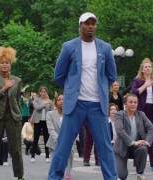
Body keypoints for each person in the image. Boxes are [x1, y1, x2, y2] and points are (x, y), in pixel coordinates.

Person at [48, 12, 117, 180]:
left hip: (97, 105)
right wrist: (71, 88)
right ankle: (54, 177)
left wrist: (101, 88)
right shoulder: (69, 47)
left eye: (93, 23)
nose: (90, 26)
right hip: (75, 104)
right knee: (63, 146)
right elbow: (58, 75)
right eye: (87, 23)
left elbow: (111, 75)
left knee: (105, 147)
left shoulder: (105, 48)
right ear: (80, 26)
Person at [0, 46, 24, 180]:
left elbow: (17, 98)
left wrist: (18, 114)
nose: (5, 65)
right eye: (2, 62)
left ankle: (20, 176)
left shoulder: (17, 80)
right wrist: (5, 87)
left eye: (7, 62)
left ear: (10, 64)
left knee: (16, 149)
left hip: (13, 117)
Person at [130, 58, 153, 175]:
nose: (148, 68)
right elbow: (133, 93)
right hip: (142, 110)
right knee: (140, 137)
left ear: (152, 69)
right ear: (142, 70)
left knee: (152, 138)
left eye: (149, 67)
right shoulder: (138, 81)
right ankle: (139, 165)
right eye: (145, 67)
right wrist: (145, 85)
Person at [114, 94, 153, 180]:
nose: (133, 104)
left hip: (136, 147)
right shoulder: (119, 114)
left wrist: (147, 141)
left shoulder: (141, 114)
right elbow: (120, 130)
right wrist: (133, 142)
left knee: (143, 148)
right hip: (122, 148)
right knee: (122, 175)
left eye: (135, 102)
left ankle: (140, 173)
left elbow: (151, 128)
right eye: (131, 102)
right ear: (125, 104)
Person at [46, 94, 74, 179]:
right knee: (56, 161)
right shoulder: (50, 114)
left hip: (68, 140)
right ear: (55, 102)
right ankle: (54, 173)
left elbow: (72, 128)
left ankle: (68, 173)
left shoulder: (70, 114)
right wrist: (60, 140)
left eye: (63, 99)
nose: (62, 101)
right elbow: (51, 130)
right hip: (55, 141)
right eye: (59, 99)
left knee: (71, 153)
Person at [30, 86, 53, 162]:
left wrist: (48, 104)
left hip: (46, 121)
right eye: (42, 91)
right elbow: (37, 108)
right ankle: (32, 156)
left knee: (47, 138)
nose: (43, 93)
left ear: (46, 92)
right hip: (37, 121)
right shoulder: (36, 99)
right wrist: (45, 104)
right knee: (35, 138)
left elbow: (51, 110)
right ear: (39, 92)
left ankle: (47, 156)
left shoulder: (49, 101)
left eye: (44, 91)